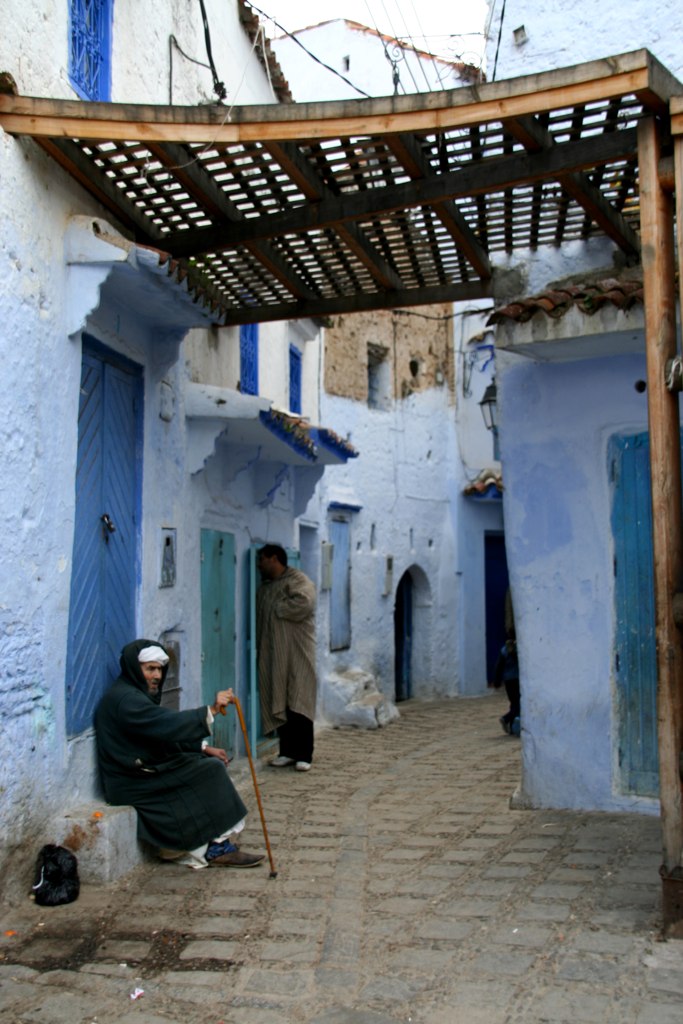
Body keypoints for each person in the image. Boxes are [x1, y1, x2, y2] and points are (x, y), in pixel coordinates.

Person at [94, 639, 265, 869]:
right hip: (132, 780)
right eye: (150, 669)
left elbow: (157, 734)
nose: (157, 675)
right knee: (209, 770)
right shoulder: (126, 700)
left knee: (201, 761)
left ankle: (210, 842)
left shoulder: (132, 693)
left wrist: (202, 748)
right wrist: (211, 710)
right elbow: (166, 725)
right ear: (136, 669)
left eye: (159, 669)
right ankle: (216, 847)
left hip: (143, 768)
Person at [256, 544, 317, 772]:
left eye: (262, 559)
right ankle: (287, 751)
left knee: (299, 700)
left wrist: (278, 608)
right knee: (280, 698)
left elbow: (306, 602)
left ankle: (305, 755)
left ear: (274, 559)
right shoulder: (267, 587)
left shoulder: (297, 580)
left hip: (298, 652)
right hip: (275, 654)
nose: (259, 565)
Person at [493, 629, 520, 735]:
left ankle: (512, 727)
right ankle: (507, 719)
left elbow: (499, 666)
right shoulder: (520, 649)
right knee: (519, 704)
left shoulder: (504, 650)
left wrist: (497, 681)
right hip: (517, 680)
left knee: (513, 702)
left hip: (508, 681)